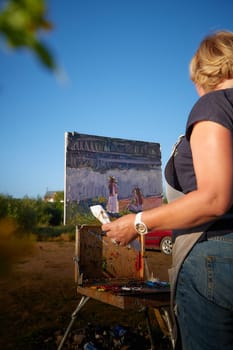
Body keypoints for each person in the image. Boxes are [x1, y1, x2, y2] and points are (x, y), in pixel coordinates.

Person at [102, 30, 233, 350]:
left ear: (205, 71)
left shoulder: (215, 104)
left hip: (217, 257)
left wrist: (135, 223)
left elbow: (215, 199)